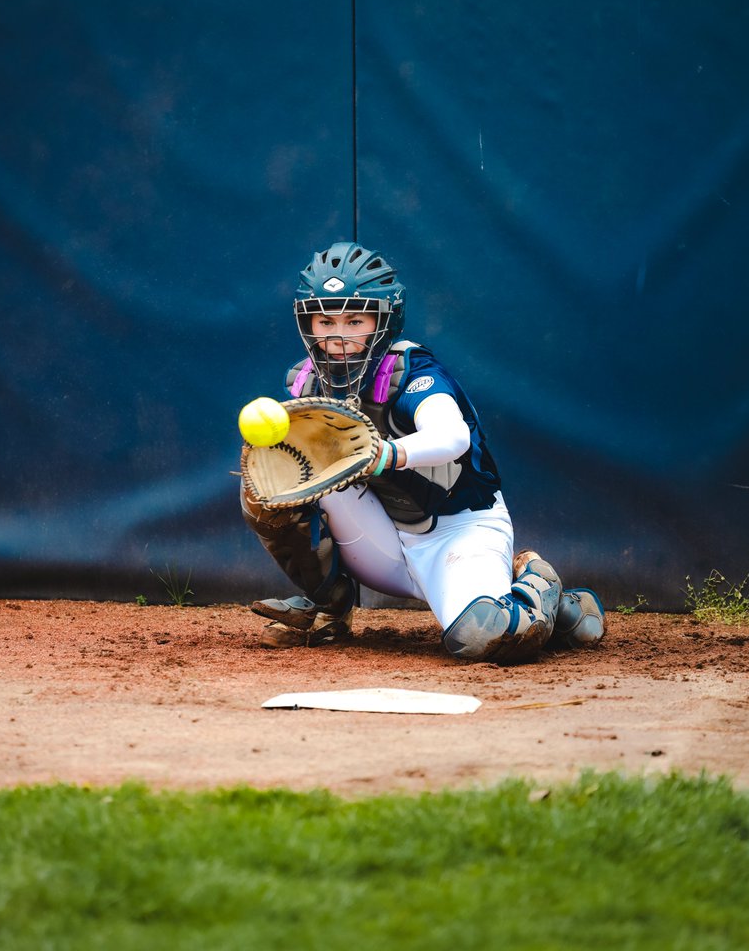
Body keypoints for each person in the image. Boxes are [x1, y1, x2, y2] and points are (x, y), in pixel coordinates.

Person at [241, 240, 605, 663]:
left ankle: (536, 582)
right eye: (325, 321)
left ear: (384, 319)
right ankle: (330, 612)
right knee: (274, 485)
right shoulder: (306, 385)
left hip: (460, 531)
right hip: (385, 542)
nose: (338, 335)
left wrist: (384, 454)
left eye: (355, 319)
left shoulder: (408, 369)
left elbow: (453, 437)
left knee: (483, 637)